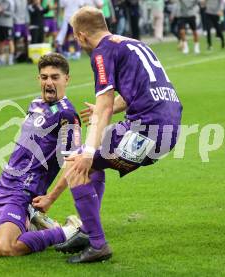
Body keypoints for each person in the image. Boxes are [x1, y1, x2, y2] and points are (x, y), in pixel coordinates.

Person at [47, 6, 182, 263]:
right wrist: (108, 109)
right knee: (94, 165)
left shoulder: (101, 53)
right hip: (170, 128)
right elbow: (143, 91)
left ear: (82, 36)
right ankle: (88, 230)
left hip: (145, 129)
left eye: (76, 37)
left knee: (78, 162)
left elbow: (106, 106)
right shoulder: (133, 44)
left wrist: (87, 151)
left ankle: (97, 244)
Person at [0, 53, 85, 257]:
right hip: (2, 184)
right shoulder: (35, 104)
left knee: (5, 248)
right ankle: (28, 225)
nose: (49, 82)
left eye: (55, 77)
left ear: (66, 79)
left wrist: (50, 198)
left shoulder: (67, 115)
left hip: (22, 191)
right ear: (38, 79)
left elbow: (74, 162)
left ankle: (67, 230)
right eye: (44, 77)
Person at [0, 0, 16, 65]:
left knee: (10, 41)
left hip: (8, 25)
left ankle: (10, 60)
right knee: (1, 42)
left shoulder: (10, 2)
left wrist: (1, 10)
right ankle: (1, 60)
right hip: (0, 25)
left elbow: (11, 14)